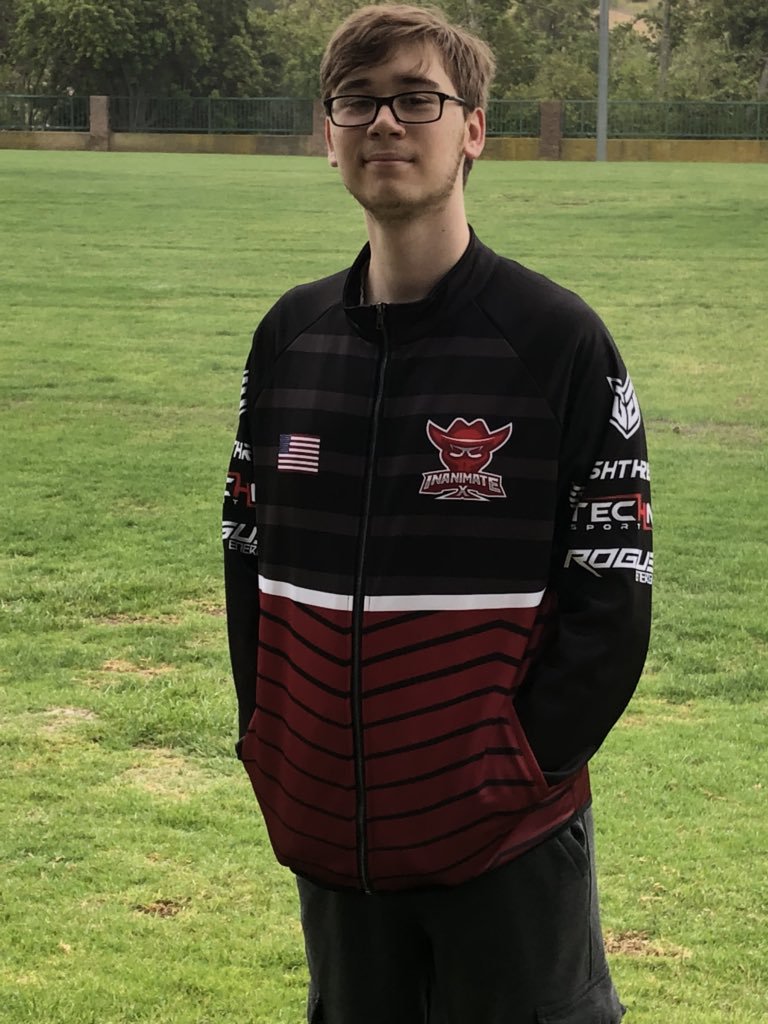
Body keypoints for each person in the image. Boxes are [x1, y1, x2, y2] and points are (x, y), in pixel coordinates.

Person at [222, 5, 652, 1022]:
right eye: (357, 101)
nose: (384, 122)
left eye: (417, 99)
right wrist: (272, 740)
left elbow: (612, 596)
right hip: (332, 833)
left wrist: (513, 769)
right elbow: (248, 558)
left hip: (505, 839)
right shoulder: (290, 338)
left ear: (474, 131)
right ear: (328, 135)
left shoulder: (555, 340)